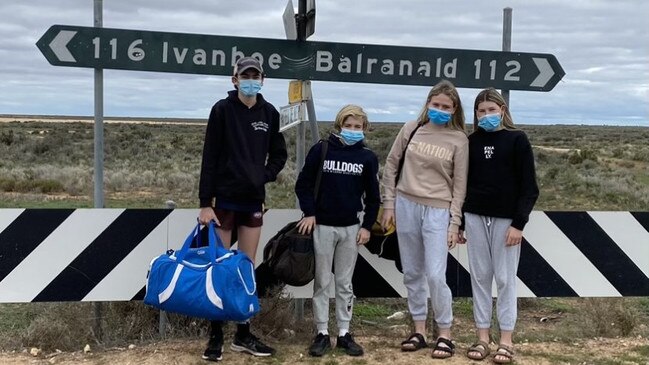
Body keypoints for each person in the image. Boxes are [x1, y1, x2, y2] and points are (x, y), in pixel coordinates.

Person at [198, 56, 287, 362]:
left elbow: (279, 154)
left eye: (256, 75)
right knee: (220, 268)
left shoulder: (270, 113)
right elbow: (209, 157)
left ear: (263, 79)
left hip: (252, 203)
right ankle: (215, 336)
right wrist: (204, 203)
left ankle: (243, 333)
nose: (251, 79)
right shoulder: (222, 110)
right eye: (245, 75)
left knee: (245, 269)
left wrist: (262, 175)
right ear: (234, 79)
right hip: (223, 202)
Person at [380, 80, 468, 359]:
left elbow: (460, 185)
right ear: (428, 104)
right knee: (412, 272)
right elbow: (392, 165)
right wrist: (389, 204)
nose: (439, 110)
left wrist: (454, 222)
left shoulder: (459, 139)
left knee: (435, 274)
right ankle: (418, 329)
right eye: (435, 104)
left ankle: (445, 333)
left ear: (454, 109)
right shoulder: (412, 128)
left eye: (445, 106)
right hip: (406, 204)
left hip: (438, 210)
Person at [295, 104, 381, 357]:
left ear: (364, 128)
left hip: (350, 229)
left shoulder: (367, 157)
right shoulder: (321, 150)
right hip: (322, 225)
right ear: (339, 125)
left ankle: (344, 332)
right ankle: (321, 332)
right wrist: (309, 213)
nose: (353, 130)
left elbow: (374, 197)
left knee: (345, 283)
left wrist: (367, 226)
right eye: (348, 125)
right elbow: (303, 185)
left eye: (358, 126)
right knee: (322, 282)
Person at [462, 88, 539, 364]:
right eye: (481, 111)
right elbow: (461, 184)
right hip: (474, 216)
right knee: (480, 277)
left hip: (507, 220)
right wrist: (459, 222)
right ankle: (483, 338)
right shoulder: (469, 141)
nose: (486, 115)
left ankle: (506, 339)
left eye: (491, 110)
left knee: (505, 279)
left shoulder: (517, 139)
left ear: (502, 111)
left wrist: (519, 224)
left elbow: (529, 187)